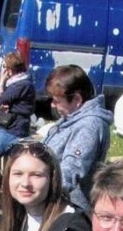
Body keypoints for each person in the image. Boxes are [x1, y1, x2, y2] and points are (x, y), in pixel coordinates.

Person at [43, 65, 113, 211]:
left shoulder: (89, 126)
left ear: (76, 99)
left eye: (56, 100)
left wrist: (41, 194)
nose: (52, 105)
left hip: (70, 208)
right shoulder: (72, 116)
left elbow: (71, 170)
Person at [0, 52, 36, 182]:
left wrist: (1, 84)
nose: (3, 70)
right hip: (0, 123)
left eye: (4, 67)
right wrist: (1, 101)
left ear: (10, 69)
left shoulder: (22, 84)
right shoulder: (14, 83)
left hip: (13, 129)